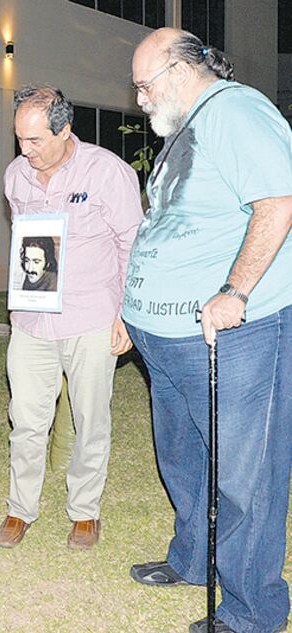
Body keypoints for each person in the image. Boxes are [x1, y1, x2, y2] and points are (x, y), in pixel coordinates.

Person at [124, 29, 291, 633]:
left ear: (179, 69)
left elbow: (277, 202)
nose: (140, 98)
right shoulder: (187, 129)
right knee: (186, 458)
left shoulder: (237, 111)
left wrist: (235, 292)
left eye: (145, 84)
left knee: (246, 475)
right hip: (163, 339)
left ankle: (252, 612)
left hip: (230, 336)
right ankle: (194, 560)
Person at [0, 85, 142, 550]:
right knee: (26, 420)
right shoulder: (16, 175)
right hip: (33, 322)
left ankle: (84, 511)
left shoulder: (107, 172)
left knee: (89, 420)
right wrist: (18, 306)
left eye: (36, 140)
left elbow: (131, 246)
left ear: (64, 129)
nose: (25, 150)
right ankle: (21, 509)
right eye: (20, 139)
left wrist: (126, 314)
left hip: (92, 318)